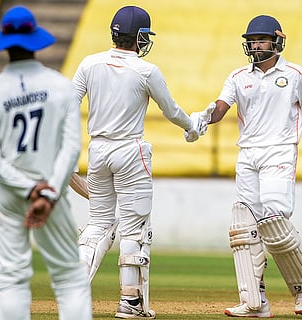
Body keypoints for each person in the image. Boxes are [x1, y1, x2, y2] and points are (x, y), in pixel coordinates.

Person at [191, 15, 302, 317]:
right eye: (251, 41)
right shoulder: (238, 76)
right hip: (248, 155)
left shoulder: (295, 74)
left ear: (277, 41)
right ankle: (256, 302)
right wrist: (202, 118)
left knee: (274, 220)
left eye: (261, 40)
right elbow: (220, 108)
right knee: (246, 227)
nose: (255, 45)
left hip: (280, 153)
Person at [71, 5, 203, 319]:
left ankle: (72, 292)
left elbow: (67, 105)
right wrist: (192, 127)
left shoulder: (89, 63)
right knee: (135, 229)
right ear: (140, 36)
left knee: (98, 225)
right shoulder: (146, 70)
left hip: (98, 151)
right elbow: (171, 111)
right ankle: (130, 302)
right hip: (131, 151)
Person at [0, 5, 92, 320]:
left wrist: (28, 189)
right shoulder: (60, 86)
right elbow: (70, 149)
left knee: (12, 273)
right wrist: (47, 191)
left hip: (9, 195)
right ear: (35, 39)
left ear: (5, 44)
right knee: (69, 276)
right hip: (51, 189)